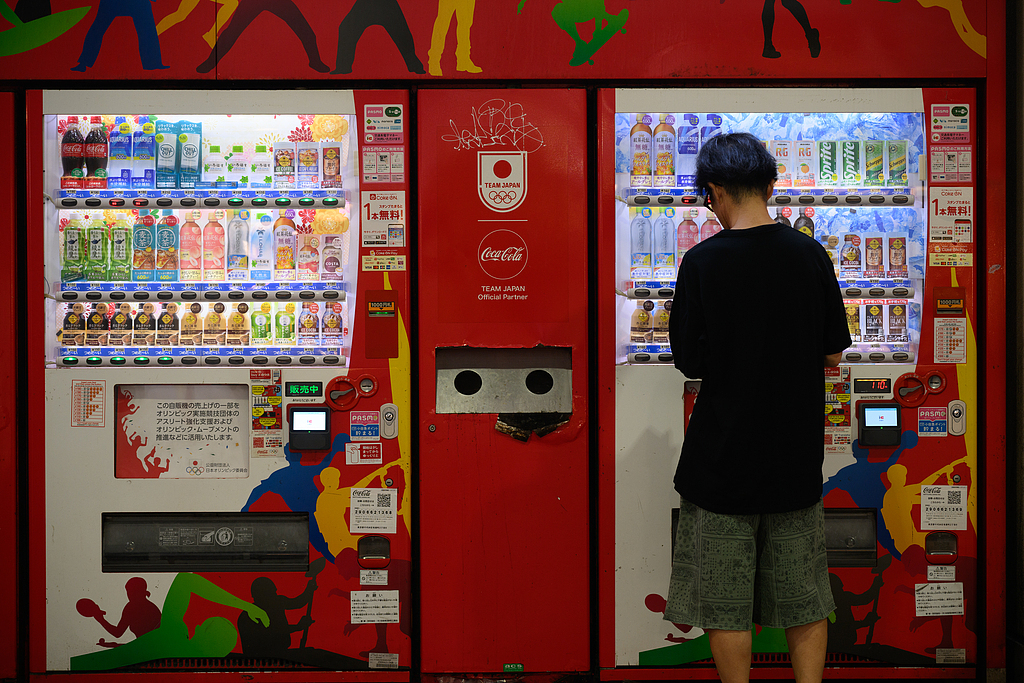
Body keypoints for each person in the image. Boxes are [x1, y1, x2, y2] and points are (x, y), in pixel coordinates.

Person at [666, 132, 851, 683]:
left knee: (724, 601)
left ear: (716, 191)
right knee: (805, 596)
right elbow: (832, 351)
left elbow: (687, 359)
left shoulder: (701, 261)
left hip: (720, 460)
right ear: (772, 186)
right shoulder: (809, 253)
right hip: (794, 457)